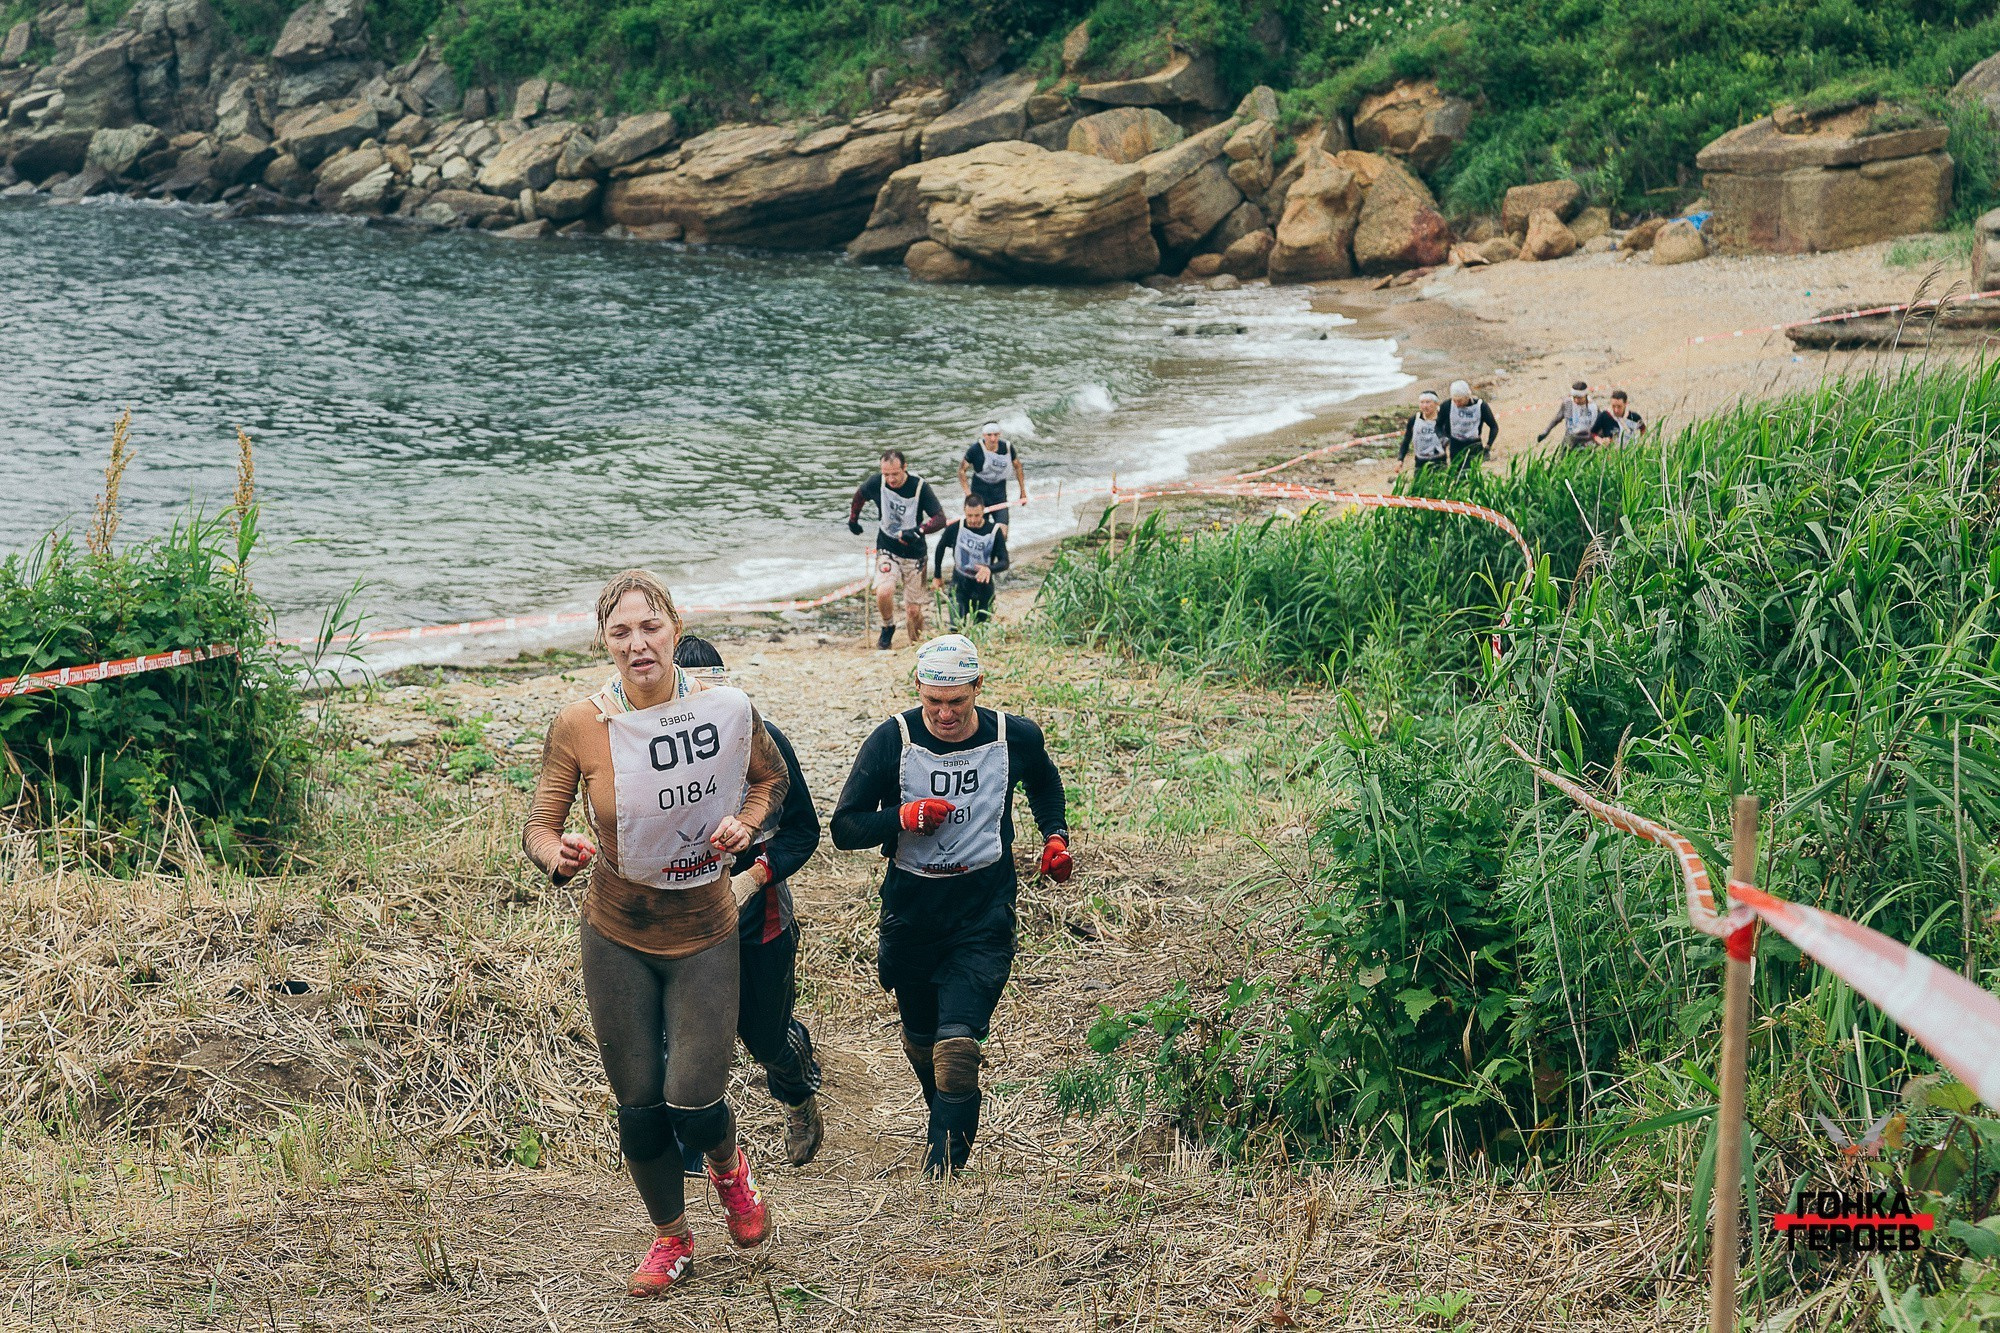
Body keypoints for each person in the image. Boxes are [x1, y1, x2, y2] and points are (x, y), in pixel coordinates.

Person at [522, 570, 787, 1298]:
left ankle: (730, 1169)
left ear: (674, 628)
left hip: (704, 927)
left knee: (693, 1099)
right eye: (620, 631)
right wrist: (559, 855)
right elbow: (540, 826)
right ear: (603, 641)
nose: (638, 643)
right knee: (639, 1105)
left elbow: (772, 780)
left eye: (651, 626)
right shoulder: (582, 723)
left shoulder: (725, 709)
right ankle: (671, 1236)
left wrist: (748, 822)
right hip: (617, 931)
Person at [830, 635, 1072, 1177]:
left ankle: (943, 1171)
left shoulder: (1015, 735)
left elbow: (1045, 782)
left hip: (982, 910)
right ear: (917, 688)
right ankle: (943, 1111)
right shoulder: (892, 739)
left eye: (957, 702)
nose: (944, 713)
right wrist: (902, 816)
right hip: (912, 913)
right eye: (933, 700)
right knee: (923, 1042)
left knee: (957, 1048)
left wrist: (1055, 837)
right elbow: (844, 828)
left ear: (977, 689)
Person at [671, 635, 825, 1174]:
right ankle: (694, 1153)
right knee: (683, 1035)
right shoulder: (654, 752)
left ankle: (799, 1090)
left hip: (759, 917)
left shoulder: (762, 739)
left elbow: (804, 831)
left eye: (715, 699)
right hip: (683, 918)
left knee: (763, 1036)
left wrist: (756, 877)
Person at [848, 448, 946, 651]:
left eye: (895, 474)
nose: (891, 479)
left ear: (905, 468)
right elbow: (860, 495)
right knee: (884, 591)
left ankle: (915, 644)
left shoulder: (920, 487)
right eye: (886, 474)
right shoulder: (877, 482)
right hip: (887, 547)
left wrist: (918, 530)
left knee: (913, 610)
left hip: (915, 555)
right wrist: (853, 519)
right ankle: (888, 626)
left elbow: (940, 519)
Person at [931, 494, 1010, 627]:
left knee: (981, 627)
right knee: (956, 626)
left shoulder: (994, 531)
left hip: (983, 585)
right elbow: (940, 548)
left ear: (983, 511)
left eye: (977, 516)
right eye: (969, 516)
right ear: (964, 511)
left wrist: (989, 569)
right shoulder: (956, 527)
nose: (973, 520)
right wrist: (937, 575)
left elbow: (1004, 561)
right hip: (960, 582)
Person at [959, 422, 1028, 523]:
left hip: (999, 492)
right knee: (980, 529)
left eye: (996, 435)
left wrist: (1022, 491)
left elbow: (1018, 467)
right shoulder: (975, 450)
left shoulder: (1007, 448)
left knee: (1002, 530)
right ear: (984, 435)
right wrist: (968, 494)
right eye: (989, 435)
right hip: (979, 492)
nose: (993, 439)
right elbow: (961, 470)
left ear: (999, 434)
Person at [1445, 379, 1499, 465]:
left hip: (1474, 446)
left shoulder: (1481, 406)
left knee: (1470, 474)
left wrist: (1488, 446)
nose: (1457, 404)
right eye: (1454, 400)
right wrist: (1445, 439)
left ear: (1467, 396)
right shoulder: (1448, 405)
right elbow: (1439, 425)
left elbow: (1494, 426)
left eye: (1459, 401)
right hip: (1455, 446)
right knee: (1457, 476)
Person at [1396, 390, 1449, 472]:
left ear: (1436, 404)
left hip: (1439, 460)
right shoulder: (1414, 419)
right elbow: (1406, 440)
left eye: (1428, 402)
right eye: (1422, 402)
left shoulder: (1443, 419)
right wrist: (1400, 459)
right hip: (1420, 461)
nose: (1425, 406)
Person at [1538, 381, 1598, 450]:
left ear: (1585, 396)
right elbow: (1556, 419)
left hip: (1587, 441)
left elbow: (1599, 425)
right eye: (1574, 397)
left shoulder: (1593, 407)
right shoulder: (1567, 404)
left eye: (1579, 398)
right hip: (1570, 440)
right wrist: (1546, 432)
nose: (1576, 400)